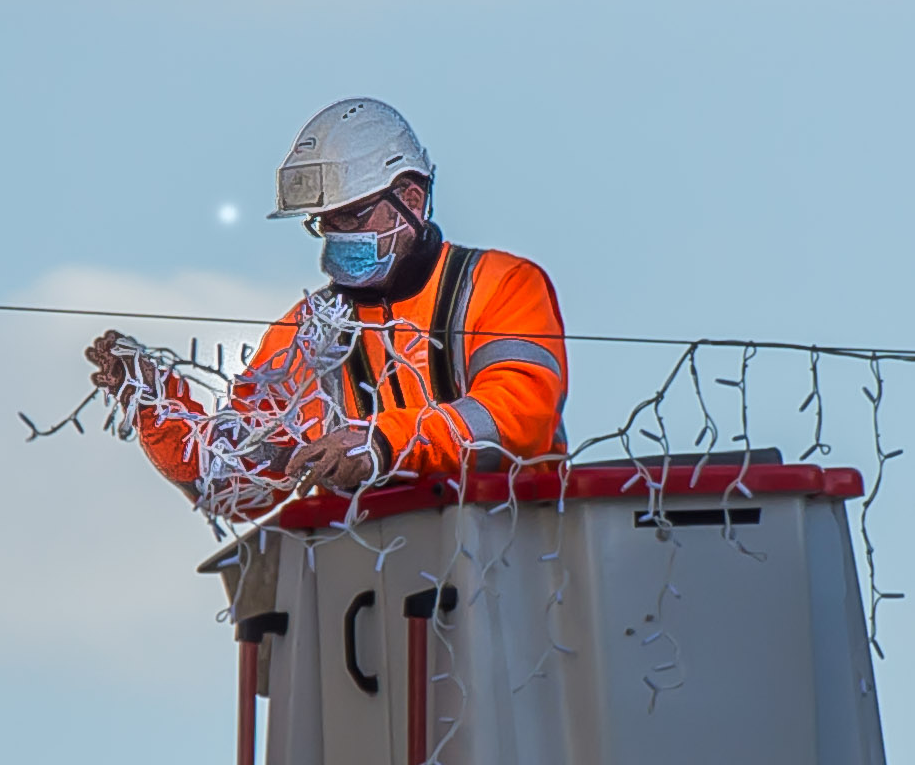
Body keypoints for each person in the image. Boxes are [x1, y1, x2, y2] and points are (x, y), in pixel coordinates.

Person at [86, 99, 568, 509]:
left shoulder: (501, 286)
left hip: (513, 559)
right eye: (324, 223)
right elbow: (233, 481)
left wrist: (381, 443)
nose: (336, 236)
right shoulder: (306, 335)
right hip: (375, 581)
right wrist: (159, 408)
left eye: (351, 217)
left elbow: (517, 421)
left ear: (412, 199)